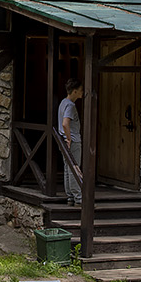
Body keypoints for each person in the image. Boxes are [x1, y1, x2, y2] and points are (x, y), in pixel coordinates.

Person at [58, 78, 84, 206]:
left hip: (63, 140)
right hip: (73, 140)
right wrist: (69, 138)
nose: (82, 92)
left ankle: (70, 197)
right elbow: (65, 123)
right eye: (80, 90)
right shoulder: (70, 105)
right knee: (75, 168)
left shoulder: (63, 102)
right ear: (74, 91)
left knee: (68, 169)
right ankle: (78, 198)